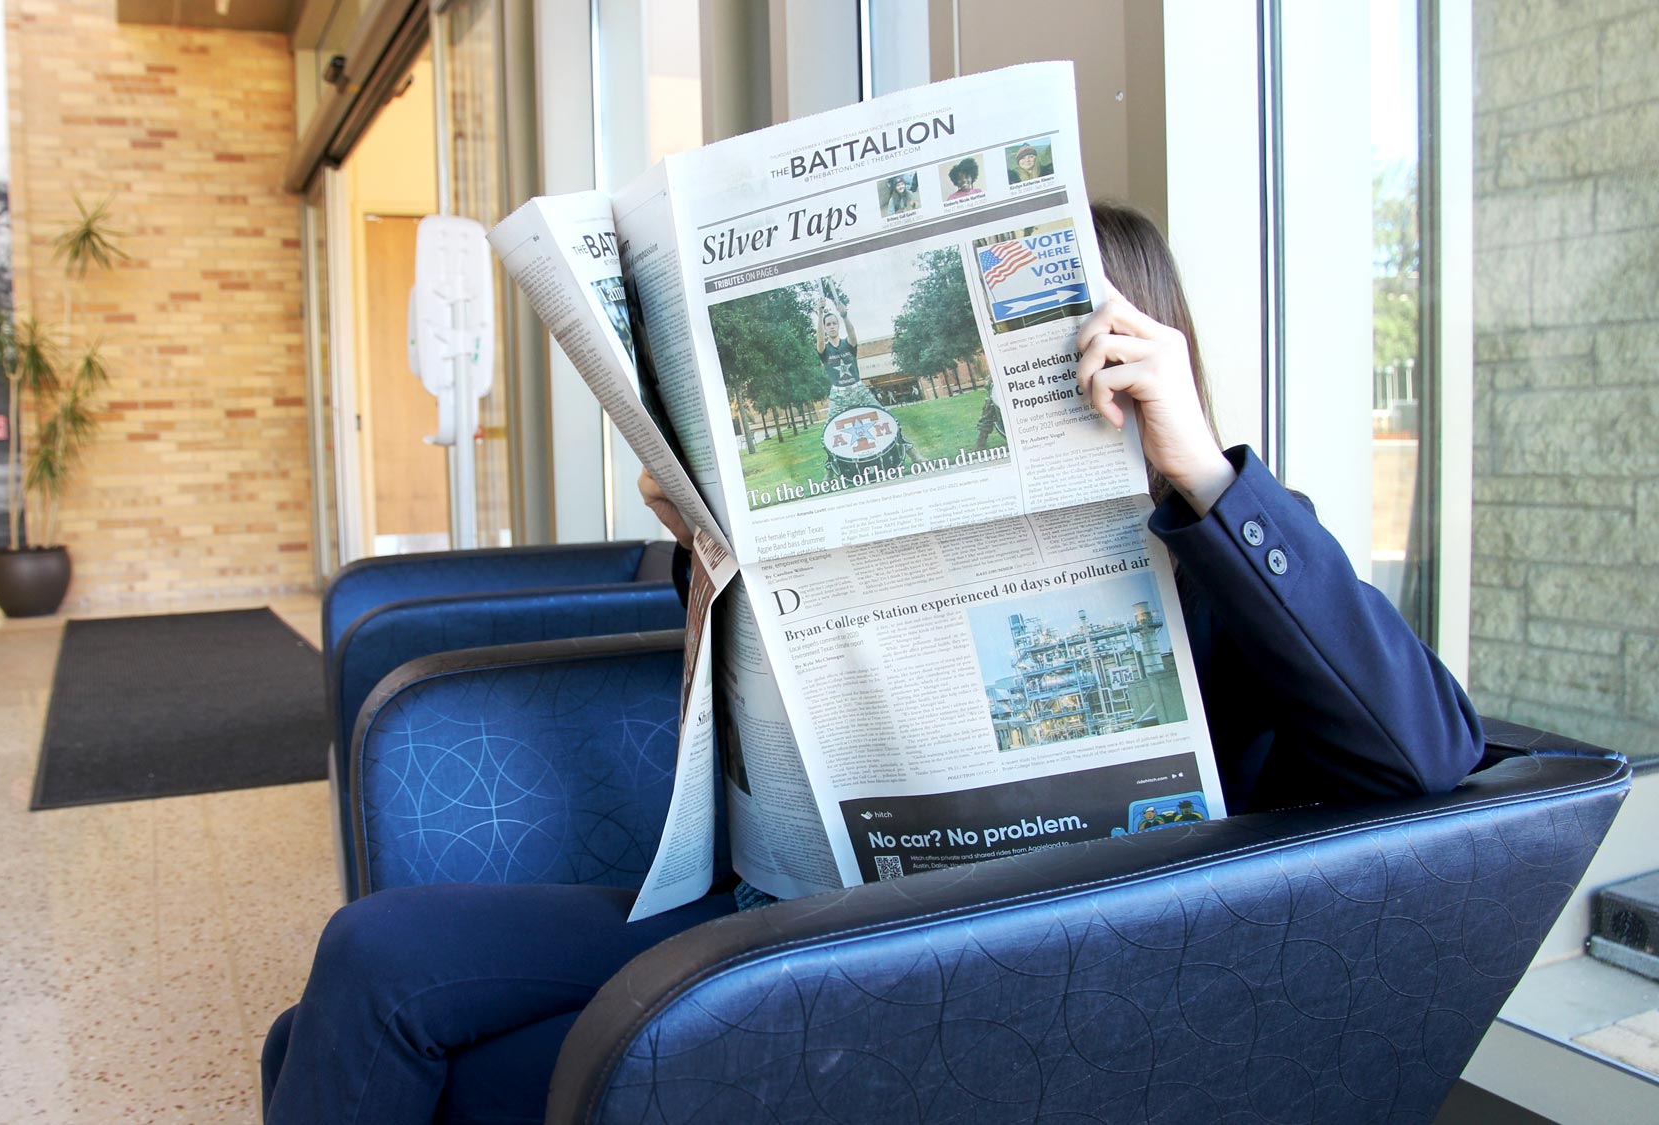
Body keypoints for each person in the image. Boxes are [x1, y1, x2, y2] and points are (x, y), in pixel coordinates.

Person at [258, 203, 1484, 1124]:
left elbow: (1428, 752)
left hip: (942, 979)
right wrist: (707, 541)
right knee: (367, 961)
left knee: (359, 1051)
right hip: (773, 906)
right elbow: (742, 764)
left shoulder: (1230, 544)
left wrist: (1203, 475)